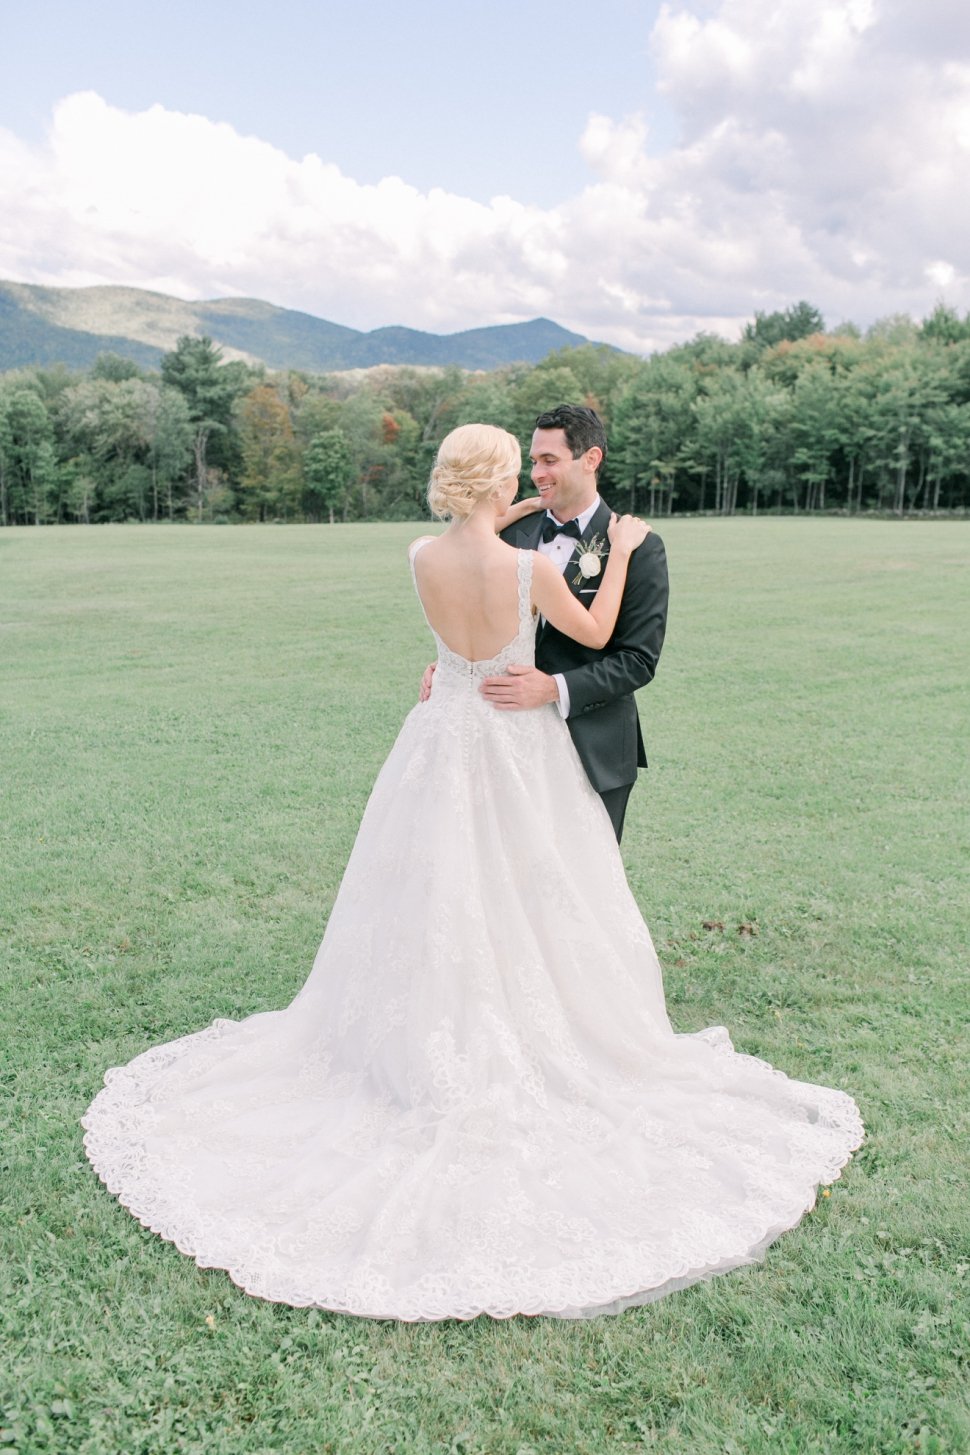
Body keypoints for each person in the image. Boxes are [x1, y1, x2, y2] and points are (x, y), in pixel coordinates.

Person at [82, 424, 863, 1322]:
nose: (534, 479)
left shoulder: (420, 554)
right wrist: (626, 551)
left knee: (431, 894)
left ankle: (422, 1036)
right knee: (536, 893)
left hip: (441, 733)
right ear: (501, 482)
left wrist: (502, 514)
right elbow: (601, 628)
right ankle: (534, 1029)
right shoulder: (529, 568)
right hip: (513, 745)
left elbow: (467, 604)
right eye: (520, 472)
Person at [422, 405, 668, 842]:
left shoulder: (636, 546)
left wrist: (554, 688)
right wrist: (450, 667)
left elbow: (637, 660)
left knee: (582, 893)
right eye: (532, 461)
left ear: (590, 459)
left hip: (594, 747)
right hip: (499, 744)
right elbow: (476, 614)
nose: (537, 473)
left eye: (549, 460)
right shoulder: (507, 531)